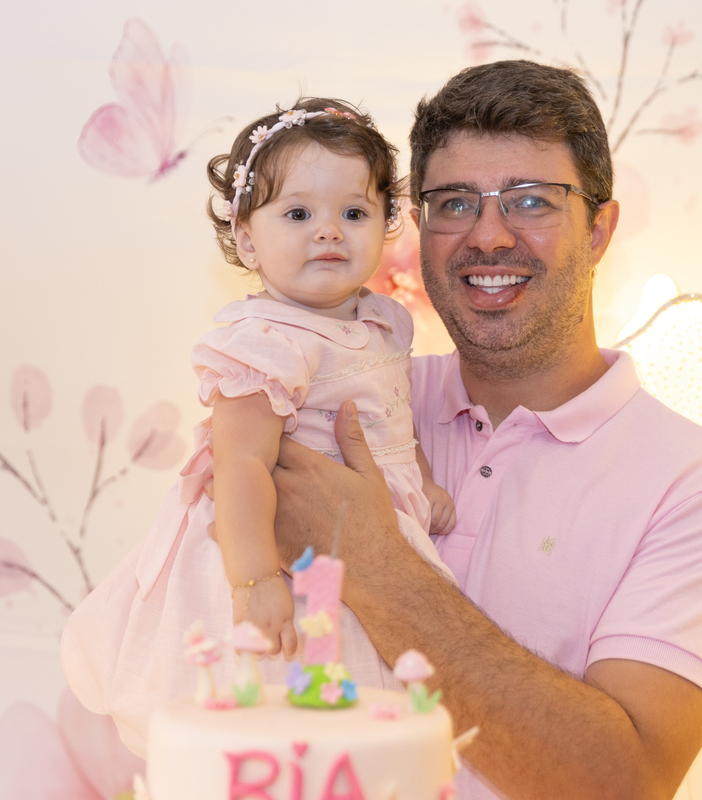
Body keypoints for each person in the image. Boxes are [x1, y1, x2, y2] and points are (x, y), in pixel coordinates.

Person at [266, 61, 702, 799]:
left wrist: (372, 561)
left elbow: (623, 782)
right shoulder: (337, 404)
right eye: (455, 203)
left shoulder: (699, 491)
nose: (490, 236)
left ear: (599, 230)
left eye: (531, 201)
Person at [60, 97, 458, 755]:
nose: (328, 232)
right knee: (295, 687)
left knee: (378, 717)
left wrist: (422, 480)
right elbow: (240, 464)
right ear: (247, 239)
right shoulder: (264, 341)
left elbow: (390, 417)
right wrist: (254, 580)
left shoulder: (385, 322)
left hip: (374, 533)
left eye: (353, 213)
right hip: (280, 549)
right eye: (298, 214)